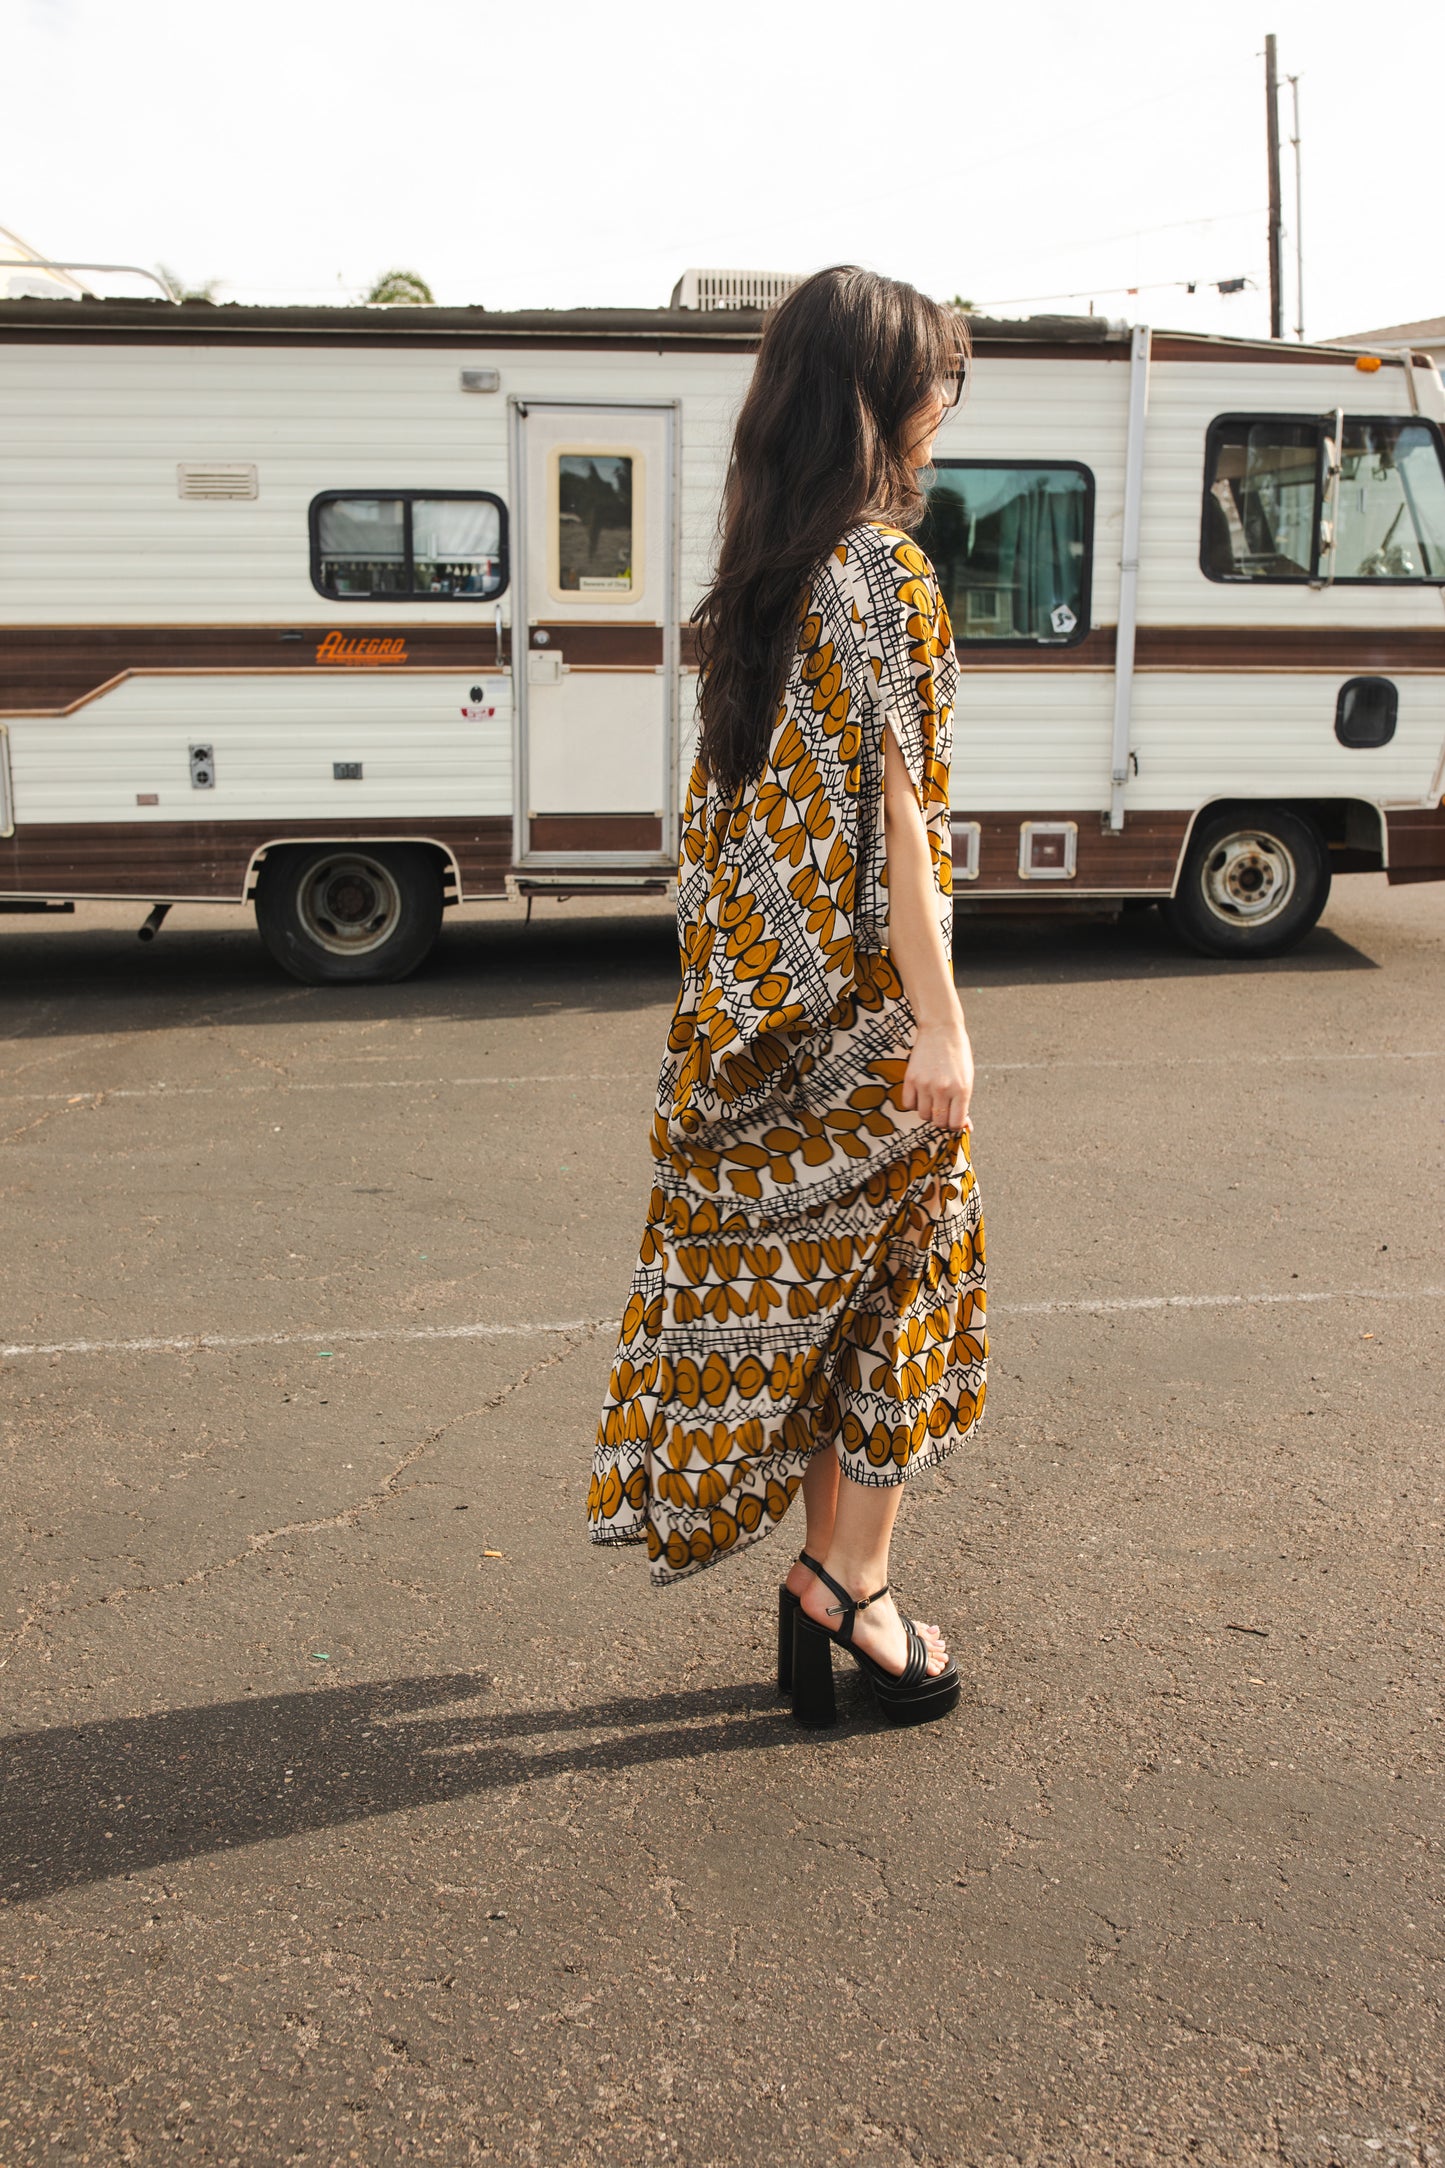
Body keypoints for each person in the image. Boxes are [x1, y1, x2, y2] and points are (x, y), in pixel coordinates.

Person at [587, 265, 986, 1727]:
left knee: (828, 1311)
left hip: (759, 1027)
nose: (944, 409)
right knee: (910, 1298)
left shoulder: (762, 579)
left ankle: (831, 1574)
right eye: (936, 381)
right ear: (880, 400)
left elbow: (731, 833)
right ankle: (848, 1585)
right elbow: (900, 827)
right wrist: (940, 1022)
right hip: (866, 1026)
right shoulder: (881, 574)